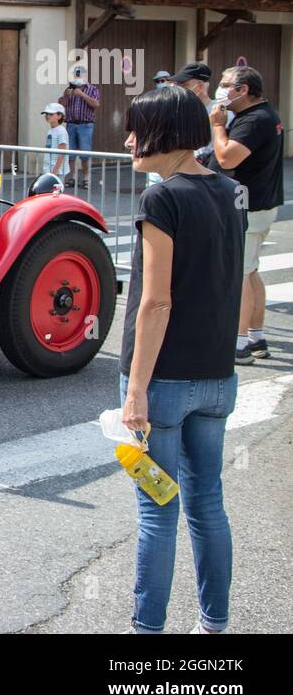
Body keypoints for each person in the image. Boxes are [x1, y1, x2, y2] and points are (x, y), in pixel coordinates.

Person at [119, 84, 243, 634]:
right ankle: (213, 627)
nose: (126, 141)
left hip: (163, 381)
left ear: (163, 134)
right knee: (207, 504)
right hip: (217, 375)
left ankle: (148, 635)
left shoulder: (161, 198)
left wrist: (135, 389)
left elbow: (156, 300)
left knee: (156, 511)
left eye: (135, 129)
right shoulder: (231, 191)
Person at [208, 66, 284, 363]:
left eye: (226, 84)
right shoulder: (264, 114)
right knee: (250, 270)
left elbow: (227, 158)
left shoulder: (254, 119)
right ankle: (256, 335)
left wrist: (217, 126)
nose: (221, 89)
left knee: (239, 273)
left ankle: (239, 344)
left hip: (248, 207)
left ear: (243, 90)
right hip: (260, 203)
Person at [60, 68, 100, 188]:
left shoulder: (92, 89)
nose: (77, 77)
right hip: (71, 124)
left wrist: (82, 94)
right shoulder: (69, 89)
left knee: (84, 154)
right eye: (76, 75)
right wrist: (66, 97)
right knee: (70, 153)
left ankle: (86, 178)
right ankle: (73, 177)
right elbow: (60, 105)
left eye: (79, 75)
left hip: (85, 125)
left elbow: (96, 104)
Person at [41, 102, 69, 187]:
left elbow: (62, 152)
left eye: (51, 114)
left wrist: (55, 171)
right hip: (49, 168)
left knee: (55, 193)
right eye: (47, 114)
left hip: (57, 171)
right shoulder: (50, 130)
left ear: (59, 116)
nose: (48, 116)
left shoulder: (61, 131)